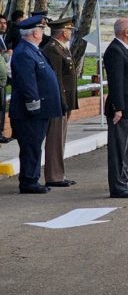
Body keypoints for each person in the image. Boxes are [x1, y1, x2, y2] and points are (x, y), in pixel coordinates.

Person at [9, 16, 61, 193]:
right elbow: (28, 83)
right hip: (29, 112)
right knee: (31, 147)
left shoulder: (33, 50)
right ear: (35, 33)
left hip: (38, 111)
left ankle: (32, 178)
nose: (43, 32)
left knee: (34, 146)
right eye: (41, 29)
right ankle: (29, 182)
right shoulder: (24, 52)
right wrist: (34, 107)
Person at [104, 17, 128, 198]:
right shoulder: (115, 51)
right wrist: (118, 107)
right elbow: (116, 82)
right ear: (126, 32)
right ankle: (118, 187)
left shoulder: (124, 50)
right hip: (122, 109)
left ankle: (124, 183)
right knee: (119, 150)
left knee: (126, 149)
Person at [42, 17, 79, 187]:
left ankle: (59, 174)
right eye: (69, 30)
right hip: (58, 102)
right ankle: (54, 176)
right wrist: (61, 102)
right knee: (55, 140)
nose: (71, 33)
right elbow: (56, 80)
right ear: (63, 32)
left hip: (64, 102)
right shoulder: (53, 49)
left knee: (60, 139)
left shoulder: (61, 48)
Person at [0, 13, 10, 143]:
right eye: (1, 23)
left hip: (3, 80)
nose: (3, 26)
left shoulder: (2, 38)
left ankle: (1, 132)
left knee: (2, 108)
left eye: (5, 23)